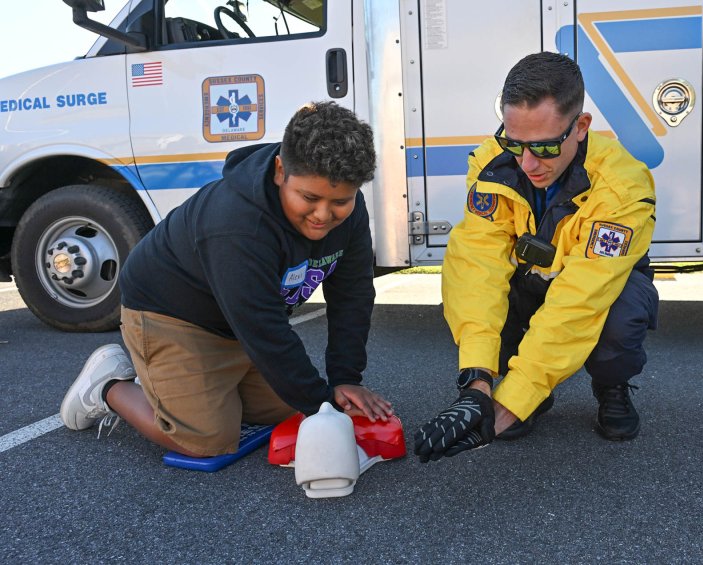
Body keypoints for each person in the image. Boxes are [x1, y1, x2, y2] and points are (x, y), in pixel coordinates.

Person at [60, 101, 393, 457]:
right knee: (207, 439)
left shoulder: (351, 210)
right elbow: (262, 328)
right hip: (171, 315)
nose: (323, 215)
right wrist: (324, 406)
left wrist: (344, 378)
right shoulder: (237, 225)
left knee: (286, 409)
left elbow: (353, 294)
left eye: (339, 201)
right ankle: (108, 386)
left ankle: (180, 385)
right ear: (280, 170)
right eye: (309, 198)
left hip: (234, 322)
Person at [414, 52, 659, 463]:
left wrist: (507, 408)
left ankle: (611, 386)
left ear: (580, 127)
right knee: (480, 292)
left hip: (600, 286)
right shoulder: (491, 164)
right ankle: (522, 389)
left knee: (619, 319)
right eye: (514, 143)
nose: (527, 163)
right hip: (533, 277)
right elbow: (477, 267)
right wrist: (477, 384)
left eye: (544, 146)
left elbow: (581, 300)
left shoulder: (623, 188)